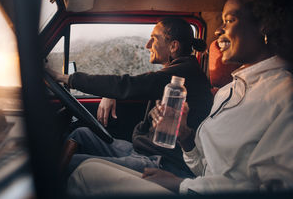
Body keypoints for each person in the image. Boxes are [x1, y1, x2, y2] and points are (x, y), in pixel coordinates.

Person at [67, 0, 293, 195]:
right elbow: (204, 168)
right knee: (83, 145)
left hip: (185, 183)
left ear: (265, 24)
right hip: (190, 184)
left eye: (229, 20)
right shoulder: (230, 90)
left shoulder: (284, 95)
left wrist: (179, 183)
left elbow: (271, 189)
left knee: (83, 171)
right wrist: (185, 136)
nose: (218, 32)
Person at [49, 17, 213, 176]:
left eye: (153, 39)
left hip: (163, 162)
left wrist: (66, 78)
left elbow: (128, 85)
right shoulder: (178, 70)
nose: (148, 45)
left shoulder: (183, 74)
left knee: (70, 163)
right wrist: (110, 94)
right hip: (143, 150)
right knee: (81, 134)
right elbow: (135, 84)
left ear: (173, 46)